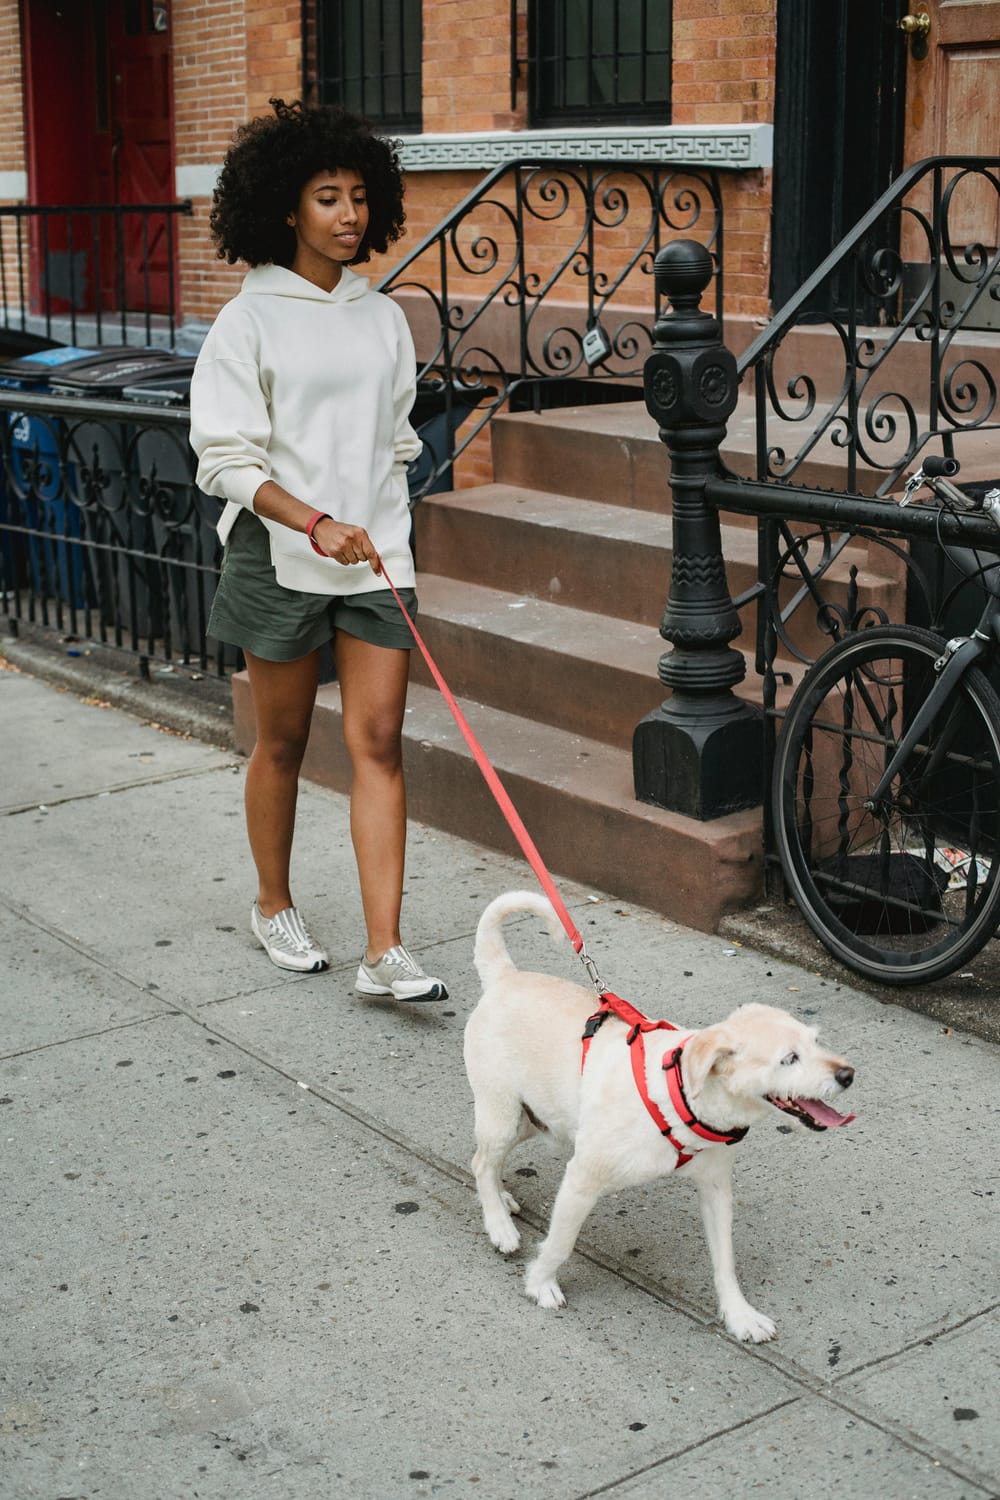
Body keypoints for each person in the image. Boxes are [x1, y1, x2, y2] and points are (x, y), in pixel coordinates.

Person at [189, 98, 446, 1002]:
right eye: (327, 196)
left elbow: (400, 435)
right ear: (285, 209)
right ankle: (273, 903)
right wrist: (312, 521)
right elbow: (225, 459)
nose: (349, 213)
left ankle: (386, 952)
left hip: (374, 554)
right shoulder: (248, 322)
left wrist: (381, 514)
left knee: (378, 742)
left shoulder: (381, 316)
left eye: (359, 195)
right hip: (280, 552)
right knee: (285, 740)